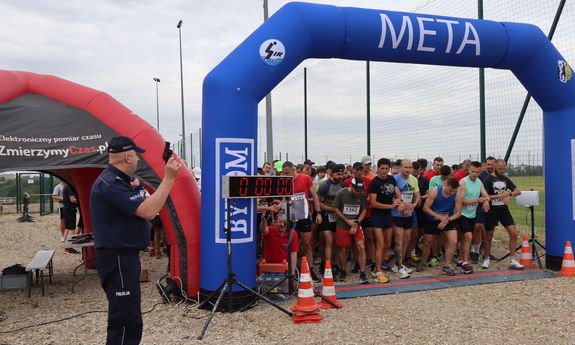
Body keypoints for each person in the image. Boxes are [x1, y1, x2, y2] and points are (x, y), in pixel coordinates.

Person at [90, 136, 181, 345]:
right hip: (118, 258)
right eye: (136, 155)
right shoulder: (110, 184)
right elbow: (148, 211)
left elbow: (145, 209)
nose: (139, 159)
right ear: (127, 157)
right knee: (124, 320)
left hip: (124, 258)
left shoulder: (120, 181)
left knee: (130, 318)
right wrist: (168, 179)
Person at [281, 161, 322, 282]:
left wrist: (318, 213)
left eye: (287, 173)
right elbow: (284, 198)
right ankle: (293, 270)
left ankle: (310, 269)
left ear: (293, 170)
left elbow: (314, 195)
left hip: (304, 215)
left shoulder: (305, 178)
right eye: (284, 173)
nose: (286, 175)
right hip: (291, 215)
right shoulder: (285, 182)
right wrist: (281, 211)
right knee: (293, 244)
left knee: (307, 244)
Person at [482, 159, 523, 270]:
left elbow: (518, 191)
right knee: (489, 236)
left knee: (514, 233)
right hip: (491, 211)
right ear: (495, 166)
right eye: (500, 168)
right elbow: (484, 197)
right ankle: (486, 258)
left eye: (504, 168)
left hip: (504, 211)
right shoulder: (487, 179)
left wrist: (509, 193)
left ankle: (513, 260)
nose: (502, 170)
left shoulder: (505, 179)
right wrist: (500, 195)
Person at [419, 177, 463, 276]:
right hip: (433, 217)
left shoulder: (457, 194)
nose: (451, 193)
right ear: (445, 185)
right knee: (428, 241)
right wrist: (438, 217)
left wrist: (447, 220)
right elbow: (425, 208)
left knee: (453, 241)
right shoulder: (435, 191)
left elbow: (459, 213)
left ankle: (446, 266)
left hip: (448, 218)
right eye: (450, 190)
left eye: (454, 191)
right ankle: (423, 261)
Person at [369, 158, 400, 283]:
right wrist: (391, 206)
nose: (384, 171)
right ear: (378, 168)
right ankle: (377, 271)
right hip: (377, 216)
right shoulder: (374, 183)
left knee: (387, 244)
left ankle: (378, 265)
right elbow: (373, 203)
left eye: (387, 168)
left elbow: (397, 193)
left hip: (388, 215)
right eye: (382, 168)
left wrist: (398, 200)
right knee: (380, 244)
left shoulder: (391, 179)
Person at [333, 177, 369, 284]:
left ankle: (362, 273)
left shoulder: (362, 194)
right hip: (343, 225)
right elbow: (335, 208)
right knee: (343, 249)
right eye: (356, 191)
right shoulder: (341, 193)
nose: (358, 193)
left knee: (361, 246)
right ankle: (343, 270)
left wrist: (357, 222)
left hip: (356, 224)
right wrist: (347, 221)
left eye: (360, 191)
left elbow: (364, 210)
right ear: (351, 187)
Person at [457, 161, 490, 274]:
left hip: (472, 214)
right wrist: (477, 200)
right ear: (468, 171)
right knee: (468, 237)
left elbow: (486, 195)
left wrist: (486, 201)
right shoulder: (463, 182)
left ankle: (460, 259)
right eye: (473, 172)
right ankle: (465, 263)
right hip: (461, 214)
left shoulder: (479, 182)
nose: (475, 174)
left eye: (477, 172)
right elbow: (460, 201)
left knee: (463, 239)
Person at [391, 159, 420, 279]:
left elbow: (417, 195)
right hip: (397, 213)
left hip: (409, 213)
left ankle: (400, 263)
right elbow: (392, 196)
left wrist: (413, 205)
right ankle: (398, 266)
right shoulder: (394, 179)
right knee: (399, 239)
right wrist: (399, 204)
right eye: (405, 167)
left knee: (407, 238)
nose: (407, 170)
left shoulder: (414, 179)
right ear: (400, 167)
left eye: (409, 168)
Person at [317, 163, 345, 276]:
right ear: (331, 173)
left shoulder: (341, 185)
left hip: (336, 217)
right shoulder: (325, 185)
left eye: (342, 174)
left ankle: (333, 264)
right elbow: (318, 203)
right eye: (338, 174)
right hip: (325, 216)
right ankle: (327, 267)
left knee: (335, 243)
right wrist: (333, 209)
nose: (340, 176)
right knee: (328, 241)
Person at [62, 183, 79, 254]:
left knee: (67, 228)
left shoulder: (66, 186)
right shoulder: (69, 186)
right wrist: (81, 200)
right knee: (72, 229)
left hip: (67, 209)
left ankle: (66, 247)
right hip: (70, 209)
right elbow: (72, 200)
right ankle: (69, 248)